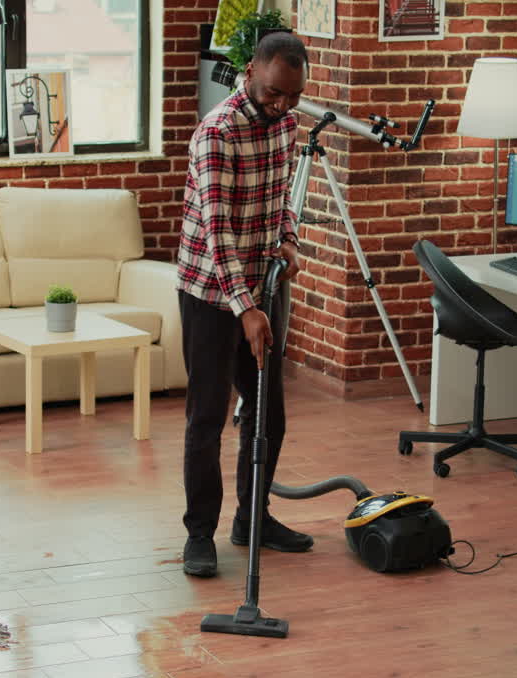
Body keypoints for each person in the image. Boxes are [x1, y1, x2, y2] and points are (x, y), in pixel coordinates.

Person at [176, 32, 314, 578]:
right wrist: (244, 306)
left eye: (293, 97)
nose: (282, 105)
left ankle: (252, 519)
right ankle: (199, 535)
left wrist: (290, 240)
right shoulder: (217, 132)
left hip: (263, 284)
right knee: (206, 417)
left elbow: (282, 196)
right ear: (252, 69)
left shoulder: (286, 124)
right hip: (210, 291)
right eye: (275, 92)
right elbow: (217, 229)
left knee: (268, 413)